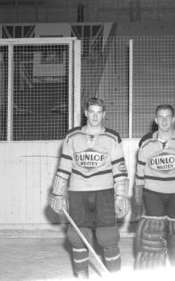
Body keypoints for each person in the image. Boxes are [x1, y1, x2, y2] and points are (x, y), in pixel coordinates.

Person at [48, 97, 131, 278]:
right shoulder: (72, 137)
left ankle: (115, 276)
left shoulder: (112, 137)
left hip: (104, 192)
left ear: (104, 114)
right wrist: (57, 193)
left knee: (108, 237)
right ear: (86, 113)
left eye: (98, 112)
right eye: (91, 112)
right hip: (78, 192)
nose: (95, 116)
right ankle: (81, 275)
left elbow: (119, 170)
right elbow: (64, 168)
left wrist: (121, 196)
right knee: (77, 237)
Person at [133, 104, 175, 269]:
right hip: (153, 194)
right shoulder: (145, 142)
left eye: (168, 117)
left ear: (173, 119)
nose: (164, 120)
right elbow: (139, 176)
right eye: (161, 117)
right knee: (154, 236)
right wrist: (137, 201)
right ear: (156, 119)